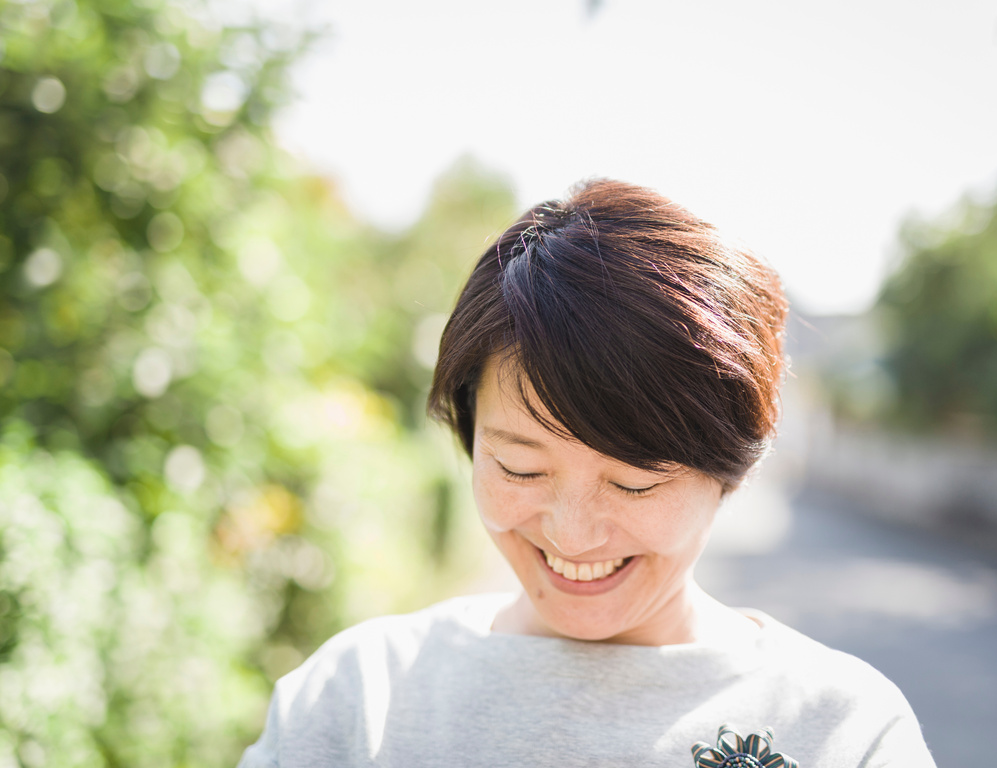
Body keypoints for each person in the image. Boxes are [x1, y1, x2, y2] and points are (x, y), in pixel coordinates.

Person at [238, 179, 937, 767]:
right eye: (520, 467)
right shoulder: (360, 700)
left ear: (730, 463)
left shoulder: (840, 729)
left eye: (632, 481)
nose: (573, 533)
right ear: (468, 434)